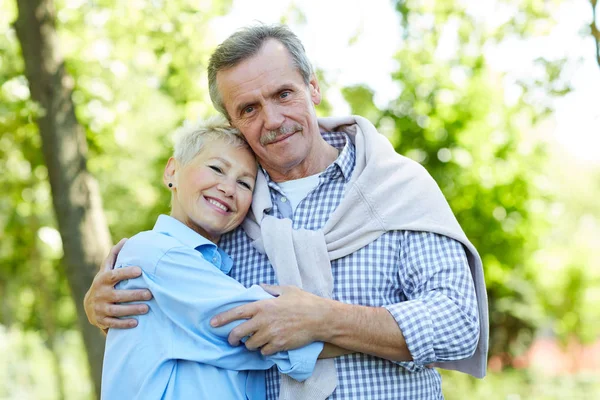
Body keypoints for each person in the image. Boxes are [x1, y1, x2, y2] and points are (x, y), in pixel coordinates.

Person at [86, 24, 489, 400]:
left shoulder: (396, 187)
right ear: (232, 122)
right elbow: (180, 312)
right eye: (249, 109)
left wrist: (324, 319)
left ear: (312, 87)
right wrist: (107, 306)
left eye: (283, 94)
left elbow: (457, 323)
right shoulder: (227, 208)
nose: (273, 120)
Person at [100, 117, 325, 400]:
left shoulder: (224, 271)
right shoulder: (152, 254)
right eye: (216, 169)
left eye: (244, 184)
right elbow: (274, 331)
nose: (228, 189)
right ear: (172, 171)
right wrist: (371, 336)